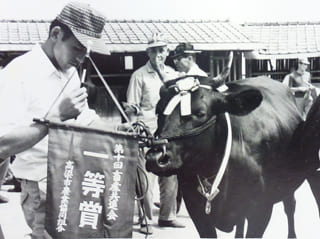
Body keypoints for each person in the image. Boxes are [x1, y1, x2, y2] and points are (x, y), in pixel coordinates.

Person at [0, 2, 111, 238]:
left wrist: (120, 131)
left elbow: (85, 118)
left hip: (73, 177)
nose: (81, 58)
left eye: (86, 52)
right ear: (56, 34)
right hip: (41, 185)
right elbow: (2, 143)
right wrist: (55, 119)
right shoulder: (17, 73)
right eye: (77, 49)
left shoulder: (69, 73)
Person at [125, 32, 185, 235]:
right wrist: (133, 130)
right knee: (144, 178)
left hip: (168, 132)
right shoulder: (139, 76)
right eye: (154, 50)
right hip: (145, 131)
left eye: (162, 50)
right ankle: (145, 220)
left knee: (170, 174)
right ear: (148, 53)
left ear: (167, 52)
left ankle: (168, 216)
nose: (158, 54)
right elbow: (132, 108)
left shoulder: (173, 75)